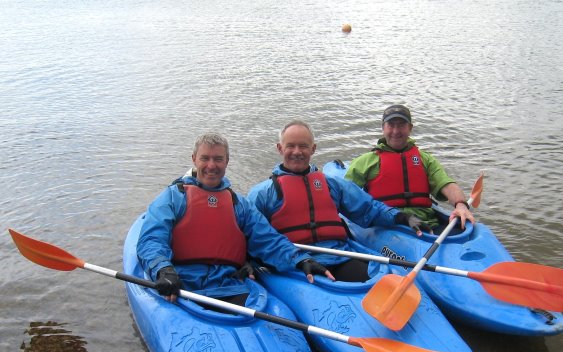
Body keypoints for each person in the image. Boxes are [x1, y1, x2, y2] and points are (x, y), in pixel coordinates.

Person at [137, 132, 333, 305]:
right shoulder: (172, 197)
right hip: (182, 283)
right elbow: (152, 239)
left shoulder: (238, 204)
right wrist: (163, 270)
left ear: (227, 161)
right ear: (194, 159)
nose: (211, 166)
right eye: (205, 158)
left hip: (230, 283)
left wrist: (300, 260)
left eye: (218, 159)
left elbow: (268, 240)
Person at [247, 120, 429, 282]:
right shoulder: (262, 194)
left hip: (338, 256)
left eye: (303, 146)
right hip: (293, 264)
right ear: (280, 148)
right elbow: (255, 238)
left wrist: (401, 217)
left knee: (386, 281)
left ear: (313, 149)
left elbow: (368, 208)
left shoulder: (331, 184)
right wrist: (295, 260)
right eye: (290, 146)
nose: (297, 152)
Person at [344, 104, 475, 232]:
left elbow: (446, 184)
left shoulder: (425, 159)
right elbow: (345, 195)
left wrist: (461, 205)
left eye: (401, 125)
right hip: (386, 224)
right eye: (391, 125)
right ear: (383, 128)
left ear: (410, 128)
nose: (396, 131)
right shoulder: (365, 162)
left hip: (426, 223)